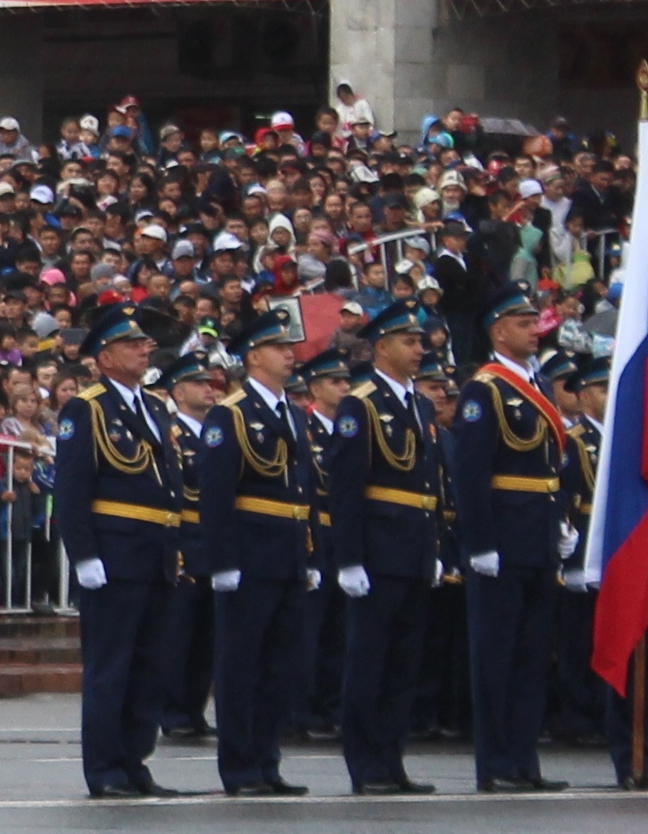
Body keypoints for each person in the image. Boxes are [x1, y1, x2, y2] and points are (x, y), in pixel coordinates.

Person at [54, 308, 184, 798]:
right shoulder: (86, 409)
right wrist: (84, 555)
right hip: (114, 554)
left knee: (150, 666)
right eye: (133, 344)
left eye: (146, 343)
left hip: (154, 553)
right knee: (112, 666)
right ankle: (105, 768)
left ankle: (135, 761)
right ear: (105, 356)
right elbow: (72, 487)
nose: (145, 349)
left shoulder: (154, 407)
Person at [448, 292, 572, 792]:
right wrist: (480, 542)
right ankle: (495, 763)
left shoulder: (535, 383)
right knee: (496, 657)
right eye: (523, 323)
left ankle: (524, 759)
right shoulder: (485, 390)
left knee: (531, 657)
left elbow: (548, 469)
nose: (533, 330)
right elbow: (472, 472)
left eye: (534, 322)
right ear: (498, 331)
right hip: (501, 538)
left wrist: (560, 523)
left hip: (537, 537)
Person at [328, 299, 448, 796]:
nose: (420, 349)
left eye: (420, 341)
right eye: (410, 341)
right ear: (381, 348)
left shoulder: (418, 405)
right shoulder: (361, 403)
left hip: (413, 546)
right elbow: (347, 486)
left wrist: (434, 545)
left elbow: (428, 481)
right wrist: (350, 558)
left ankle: (392, 759)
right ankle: (366, 763)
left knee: (403, 665)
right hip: (378, 550)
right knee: (370, 661)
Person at [199, 308, 315, 798]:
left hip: (287, 552)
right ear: (253, 357)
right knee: (242, 665)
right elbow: (217, 494)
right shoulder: (231, 414)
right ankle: (240, 765)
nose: (290, 355)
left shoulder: (289, 412)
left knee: (279, 666)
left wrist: (309, 555)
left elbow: (303, 489)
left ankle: (268, 760)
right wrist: (223, 562)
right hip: (249, 555)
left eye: (289, 348)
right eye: (278, 348)